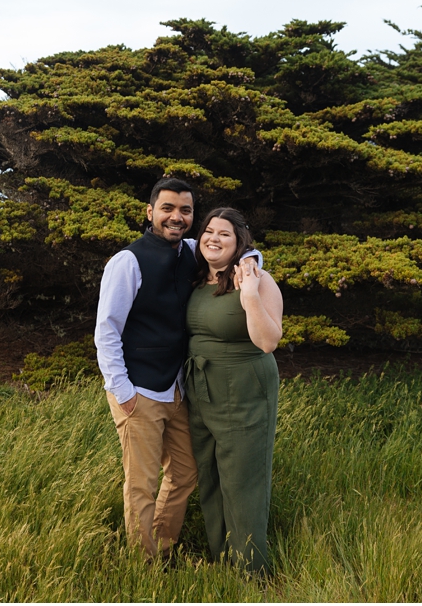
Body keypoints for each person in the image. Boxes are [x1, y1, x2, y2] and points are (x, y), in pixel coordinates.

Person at [94, 179, 262, 560]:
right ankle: (145, 561)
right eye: (168, 208)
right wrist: (123, 392)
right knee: (142, 484)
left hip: (177, 388)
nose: (177, 217)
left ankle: (164, 545)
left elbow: (235, 246)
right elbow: (106, 331)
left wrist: (253, 261)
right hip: (138, 389)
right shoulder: (128, 261)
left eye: (185, 211)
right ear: (149, 211)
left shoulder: (191, 250)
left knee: (185, 474)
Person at [184, 207, 283, 574]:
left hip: (244, 390)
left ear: (239, 241)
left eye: (224, 234)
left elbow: (269, 341)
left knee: (243, 483)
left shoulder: (257, 279)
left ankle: (251, 571)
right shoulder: (198, 277)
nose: (213, 238)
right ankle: (221, 559)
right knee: (209, 477)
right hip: (202, 391)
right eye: (208, 231)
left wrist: (251, 295)